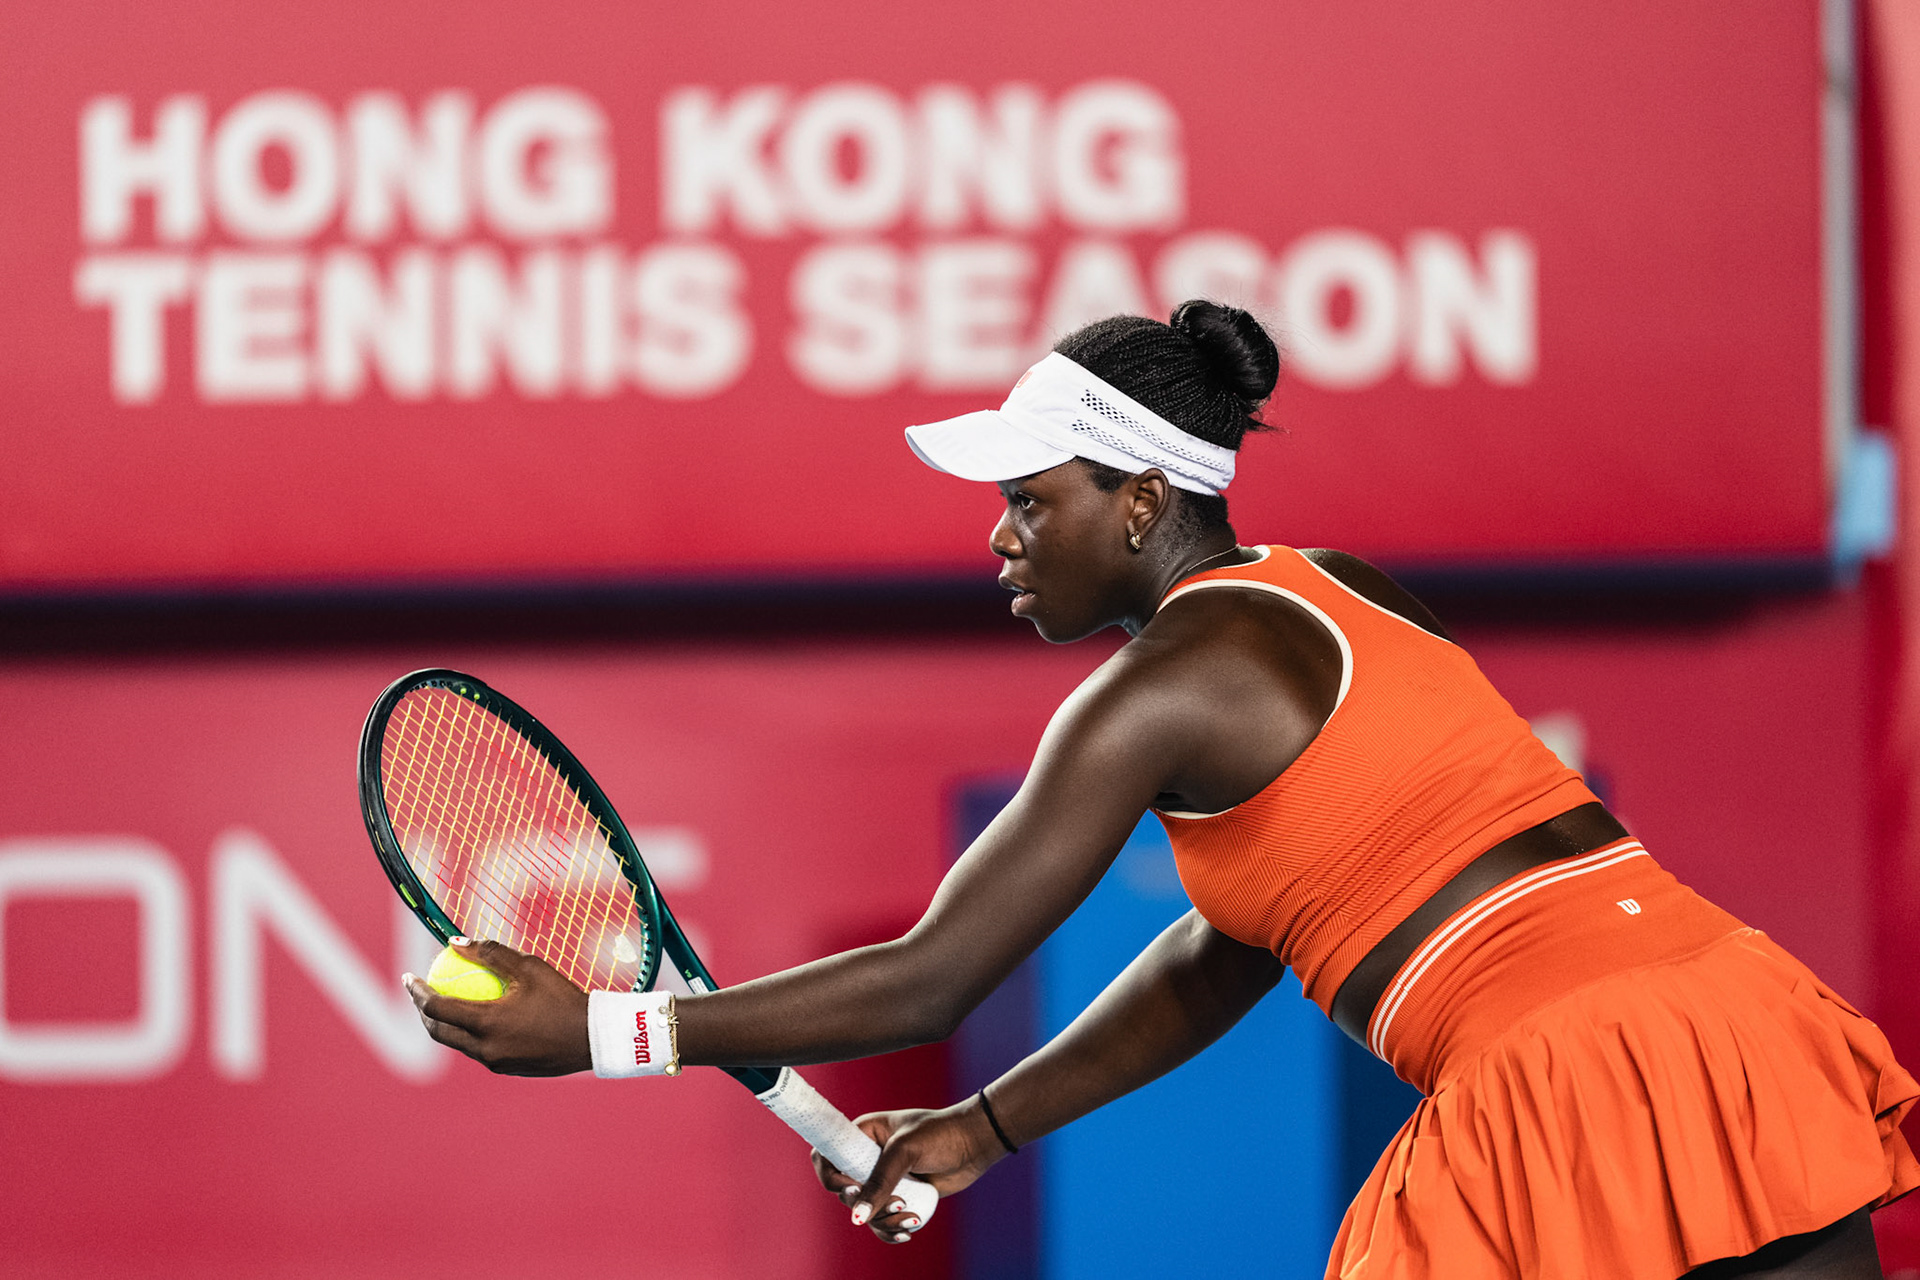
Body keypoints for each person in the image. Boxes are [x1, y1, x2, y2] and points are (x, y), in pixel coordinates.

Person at [405, 301, 1919, 1278]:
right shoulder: (1340, 589)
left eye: (1028, 502)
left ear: (1139, 503)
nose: (1000, 540)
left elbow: (931, 975)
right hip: (1715, 1015)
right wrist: (988, 1129)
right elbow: (1246, 940)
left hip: (1555, 1065)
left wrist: (608, 1032)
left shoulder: (1151, 692)